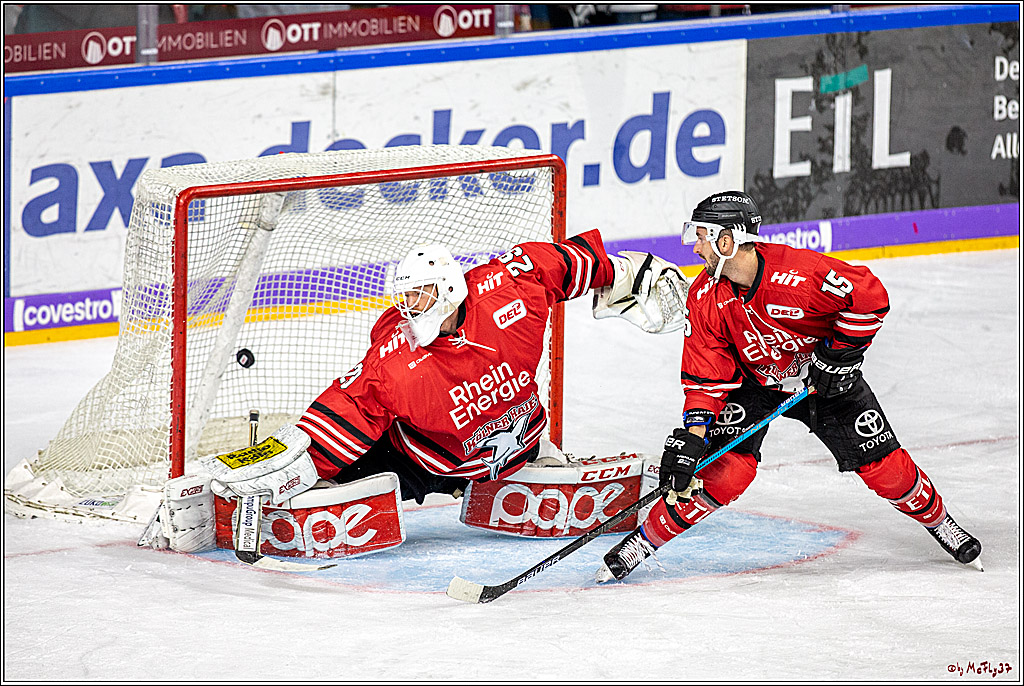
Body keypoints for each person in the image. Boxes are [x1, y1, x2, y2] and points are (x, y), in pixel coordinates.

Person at [147, 227, 688, 554]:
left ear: (452, 290)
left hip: (515, 445)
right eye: (404, 298)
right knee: (317, 471)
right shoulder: (395, 353)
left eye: (422, 296)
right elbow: (349, 408)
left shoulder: (511, 287)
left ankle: (538, 461)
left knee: (520, 448)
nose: (410, 308)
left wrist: (628, 276)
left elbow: (565, 264)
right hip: (419, 461)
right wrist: (286, 462)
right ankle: (220, 496)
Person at [596, 191, 983, 582]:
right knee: (724, 471)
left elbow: (868, 297)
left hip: (824, 381)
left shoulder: (799, 274)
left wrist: (839, 358)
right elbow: (705, 372)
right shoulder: (705, 295)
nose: (695, 248)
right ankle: (642, 543)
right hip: (756, 382)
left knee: (886, 469)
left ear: (726, 241)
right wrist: (694, 436)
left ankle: (939, 521)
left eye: (701, 237)